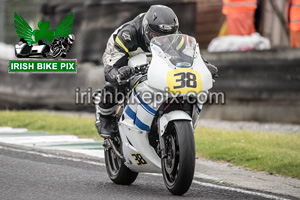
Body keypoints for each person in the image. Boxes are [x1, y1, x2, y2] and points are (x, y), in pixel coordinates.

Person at [94, 5, 218, 138]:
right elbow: (111, 67)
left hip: (157, 56)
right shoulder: (127, 35)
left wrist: (205, 65)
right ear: (147, 30)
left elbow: (190, 55)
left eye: (168, 36)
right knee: (118, 82)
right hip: (123, 53)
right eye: (156, 36)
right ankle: (104, 115)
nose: (162, 39)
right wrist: (118, 74)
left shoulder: (175, 38)